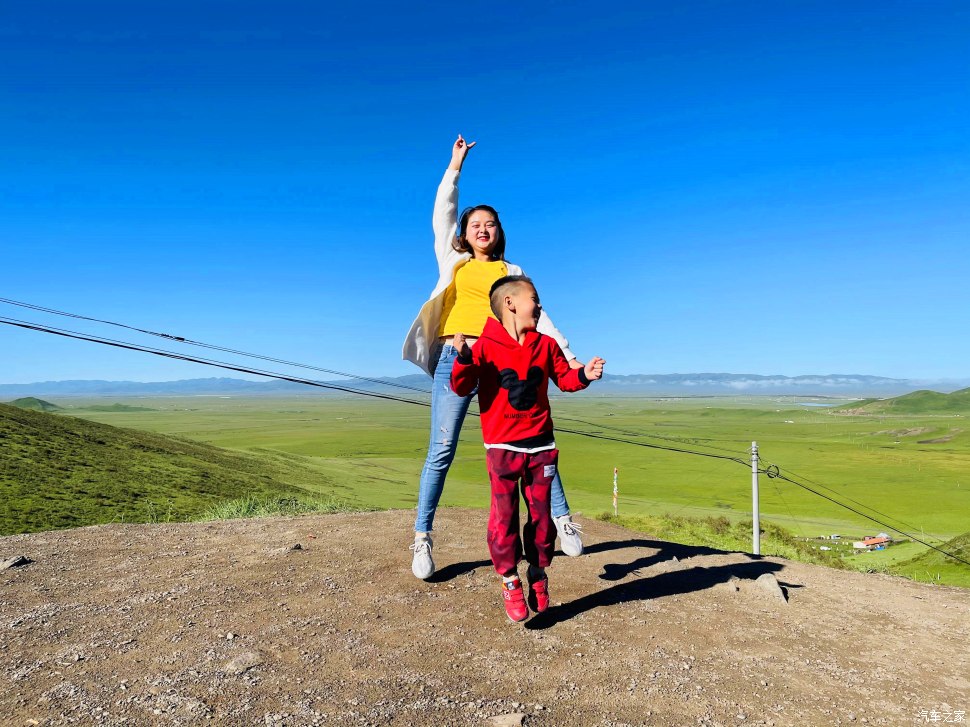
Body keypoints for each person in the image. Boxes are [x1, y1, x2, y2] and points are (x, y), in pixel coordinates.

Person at [401, 136, 586, 580]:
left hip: (505, 363)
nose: (483, 229)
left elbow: (540, 318)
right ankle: (422, 537)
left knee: (531, 438)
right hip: (457, 357)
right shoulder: (454, 261)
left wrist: (570, 357)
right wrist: (454, 167)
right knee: (441, 449)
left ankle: (561, 518)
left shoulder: (512, 272)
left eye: (491, 224)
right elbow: (442, 213)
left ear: (499, 232)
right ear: (463, 234)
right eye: (475, 224)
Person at [451, 275, 605, 621]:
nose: (538, 305)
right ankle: (509, 579)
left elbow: (565, 378)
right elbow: (462, 387)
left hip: (541, 447)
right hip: (502, 448)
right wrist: (462, 358)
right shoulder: (485, 346)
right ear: (511, 303)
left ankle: (537, 572)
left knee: (540, 518)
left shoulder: (546, 345)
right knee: (503, 517)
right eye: (533, 298)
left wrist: (585, 376)